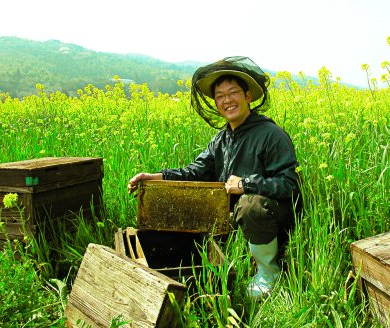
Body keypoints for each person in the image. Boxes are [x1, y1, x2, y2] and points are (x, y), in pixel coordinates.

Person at [128, 56, 302, 300]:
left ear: (248, 96)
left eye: (232, 93)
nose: (227, 100)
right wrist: (156, 177)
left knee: (249, 204)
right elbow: (195, 172)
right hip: (233, 219)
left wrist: (245, 184)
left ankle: (268, 271)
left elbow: (290, 185)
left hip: (272, 217)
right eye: (220, 96)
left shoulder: (270, 135)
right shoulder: (221, 139)